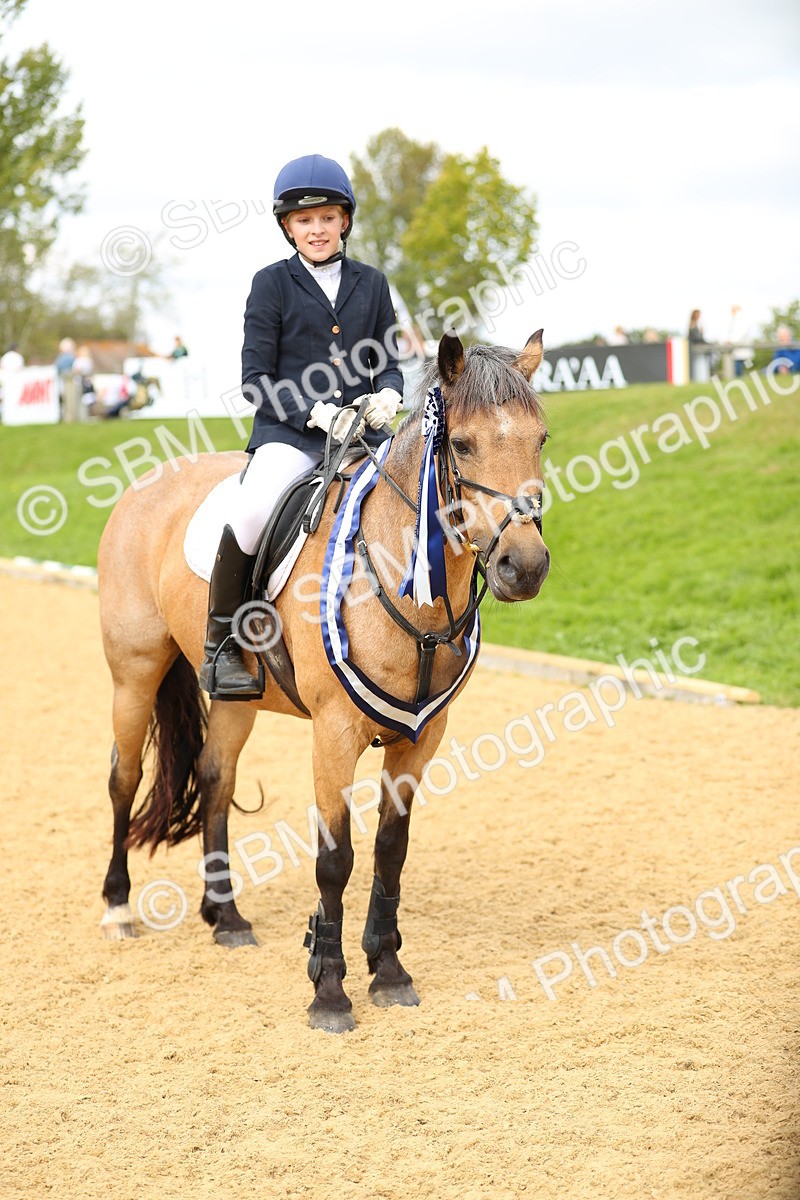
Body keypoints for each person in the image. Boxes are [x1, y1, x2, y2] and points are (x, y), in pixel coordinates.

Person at [198, 154, 404, 700]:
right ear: (288, 227)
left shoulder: (372, 283)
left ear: (344, 221)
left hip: (361, 435)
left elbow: (387, 360)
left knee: (417, 491)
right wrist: (314, 411)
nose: (317, 229)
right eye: (305, 220)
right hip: (292, 436)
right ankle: (223, 645)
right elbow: (255, 379)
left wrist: (389, 393)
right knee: (251, 510)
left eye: (327, 218)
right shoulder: (271, 283)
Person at [725, 305, 753, 376]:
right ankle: (749, 377)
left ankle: (751, 377)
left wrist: (731, 340)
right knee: (745, 365)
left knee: (747, 366)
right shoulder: (737, 319)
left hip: (742, 348)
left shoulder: (740, 319)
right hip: (739, 350)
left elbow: (740, 333)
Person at [688, 309, 711, 382]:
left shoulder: (698, 324)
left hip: (699, 347)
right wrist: (701, 332)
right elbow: (696, 338)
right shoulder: (692, 324)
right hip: (695, 348)